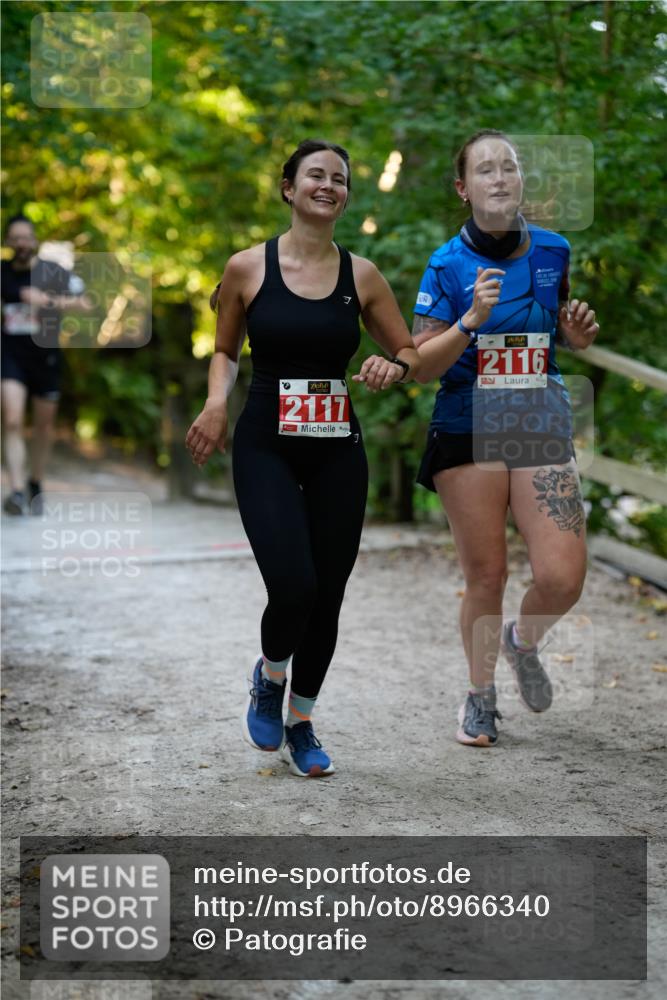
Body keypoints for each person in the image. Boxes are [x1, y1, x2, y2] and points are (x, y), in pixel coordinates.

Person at [186, 139, 419, 777]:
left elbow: (409, 352)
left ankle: (303, 722)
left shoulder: (362, 275)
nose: (328, 185)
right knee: (295, 584)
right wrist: (214, 406)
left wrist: (391, 364)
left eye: (339, 179)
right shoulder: (246, 268)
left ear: (345, 196)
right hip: (266, 441)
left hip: (336, 447)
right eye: (314, 175)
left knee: (331, 594)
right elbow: (226, 350)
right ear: (288, 188)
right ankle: (269, 676)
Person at [411, 129, 598, 747]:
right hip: (467, 418)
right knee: (486, 572)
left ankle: (523, 641)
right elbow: (423, 363)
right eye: (485, 170)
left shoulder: (553, 251)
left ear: (520, 181)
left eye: (508, 168)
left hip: (537, 416)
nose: (499, 178)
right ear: (464, 189)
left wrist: (576, 334)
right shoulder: (446, 264)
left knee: (564, 574)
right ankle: (480, 695)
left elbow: (559, 330)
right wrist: (471, 321)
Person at [1, 215, 89, 515]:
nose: (22, 243)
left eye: (27, 237)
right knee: (12, 420)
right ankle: (15, 492)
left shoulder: (52, 272)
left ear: (35, 240)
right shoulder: (3, 273)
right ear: (8, 242)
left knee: (43, 426)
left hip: (46, 357)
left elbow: (86, 303)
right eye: (16, 238)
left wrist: (46, 301)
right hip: (10, 355)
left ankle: (35, 482)